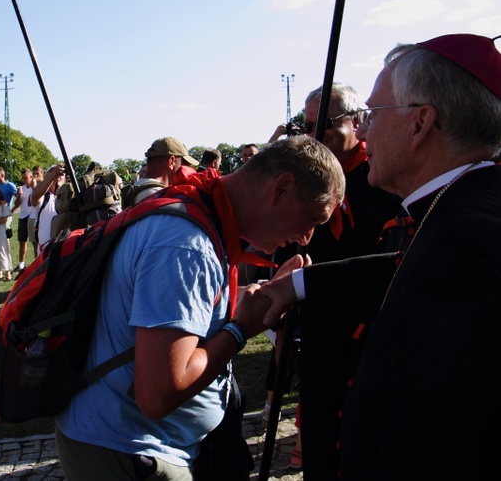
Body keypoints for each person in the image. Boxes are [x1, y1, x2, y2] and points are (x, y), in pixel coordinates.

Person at [254, 33, 501, 480]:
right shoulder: (459, 211)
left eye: (374, 113)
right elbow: (401, 269)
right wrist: (296, 285)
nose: (365, 130)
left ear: (420, 123)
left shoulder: (466, 243)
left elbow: (434, 440)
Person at [55, 135, 346, 479]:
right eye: (313, 218)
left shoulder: (201, 215)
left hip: (139, 444)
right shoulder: (187, 244)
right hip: (132, 451)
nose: (306, 237)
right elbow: (159, 394)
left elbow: (184, 316)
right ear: (281, 189)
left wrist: (257, 298)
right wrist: (240, 329)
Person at [274, 82, 404, 472]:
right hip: (318, 329)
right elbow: (288, 249)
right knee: (319, 443)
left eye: (327, 123)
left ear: (357, 120)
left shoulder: (383, 173)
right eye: (310, 125)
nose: (319, 134)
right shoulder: (304, 178)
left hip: (372, 335)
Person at [125, 137, 199, 207]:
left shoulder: (135, 188)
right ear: (171, 161)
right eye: (184, 164)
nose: (186, 168)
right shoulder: (160, 197)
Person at [29, 163, 66, 254]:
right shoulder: (45, 197)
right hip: (45, 253)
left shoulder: (70, 198)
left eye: (61, 173)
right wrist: (52, 177)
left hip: (65, 251)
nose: (58, 175)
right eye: (52, 172)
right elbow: (35, 196)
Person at [11, 168, 36, 272]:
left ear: (31, 177)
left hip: (33, 216)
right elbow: (17, 204)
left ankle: (37, 263)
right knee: (22, 241)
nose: (24, 180)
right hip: (23, 217)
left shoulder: (35, 187)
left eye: (26, 177)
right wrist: (19, 195)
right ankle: (21, 265)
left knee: (34, 242)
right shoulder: (21, 188)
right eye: (23, 178)